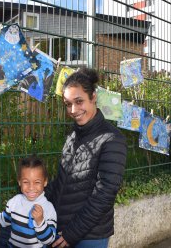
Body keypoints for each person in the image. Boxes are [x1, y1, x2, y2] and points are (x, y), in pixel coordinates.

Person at [46, 67, 127, 247]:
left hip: (90, 236)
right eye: (68, 104)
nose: (73, 110)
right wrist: (32, 199)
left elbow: (104, 195)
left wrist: (71, 234)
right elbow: (61, 182)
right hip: (60, 229)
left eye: (79, 101)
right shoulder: (72, 136)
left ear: (93, 97)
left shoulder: (112, 139)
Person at [0, 156, 57, 247]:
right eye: (26, 182)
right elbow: (3, 219)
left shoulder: (48, 208)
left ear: (45, 182)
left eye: (37, 182)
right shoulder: (15, 202)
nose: (31, 187)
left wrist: (40, 222)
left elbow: (49, 240)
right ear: (19, 182)